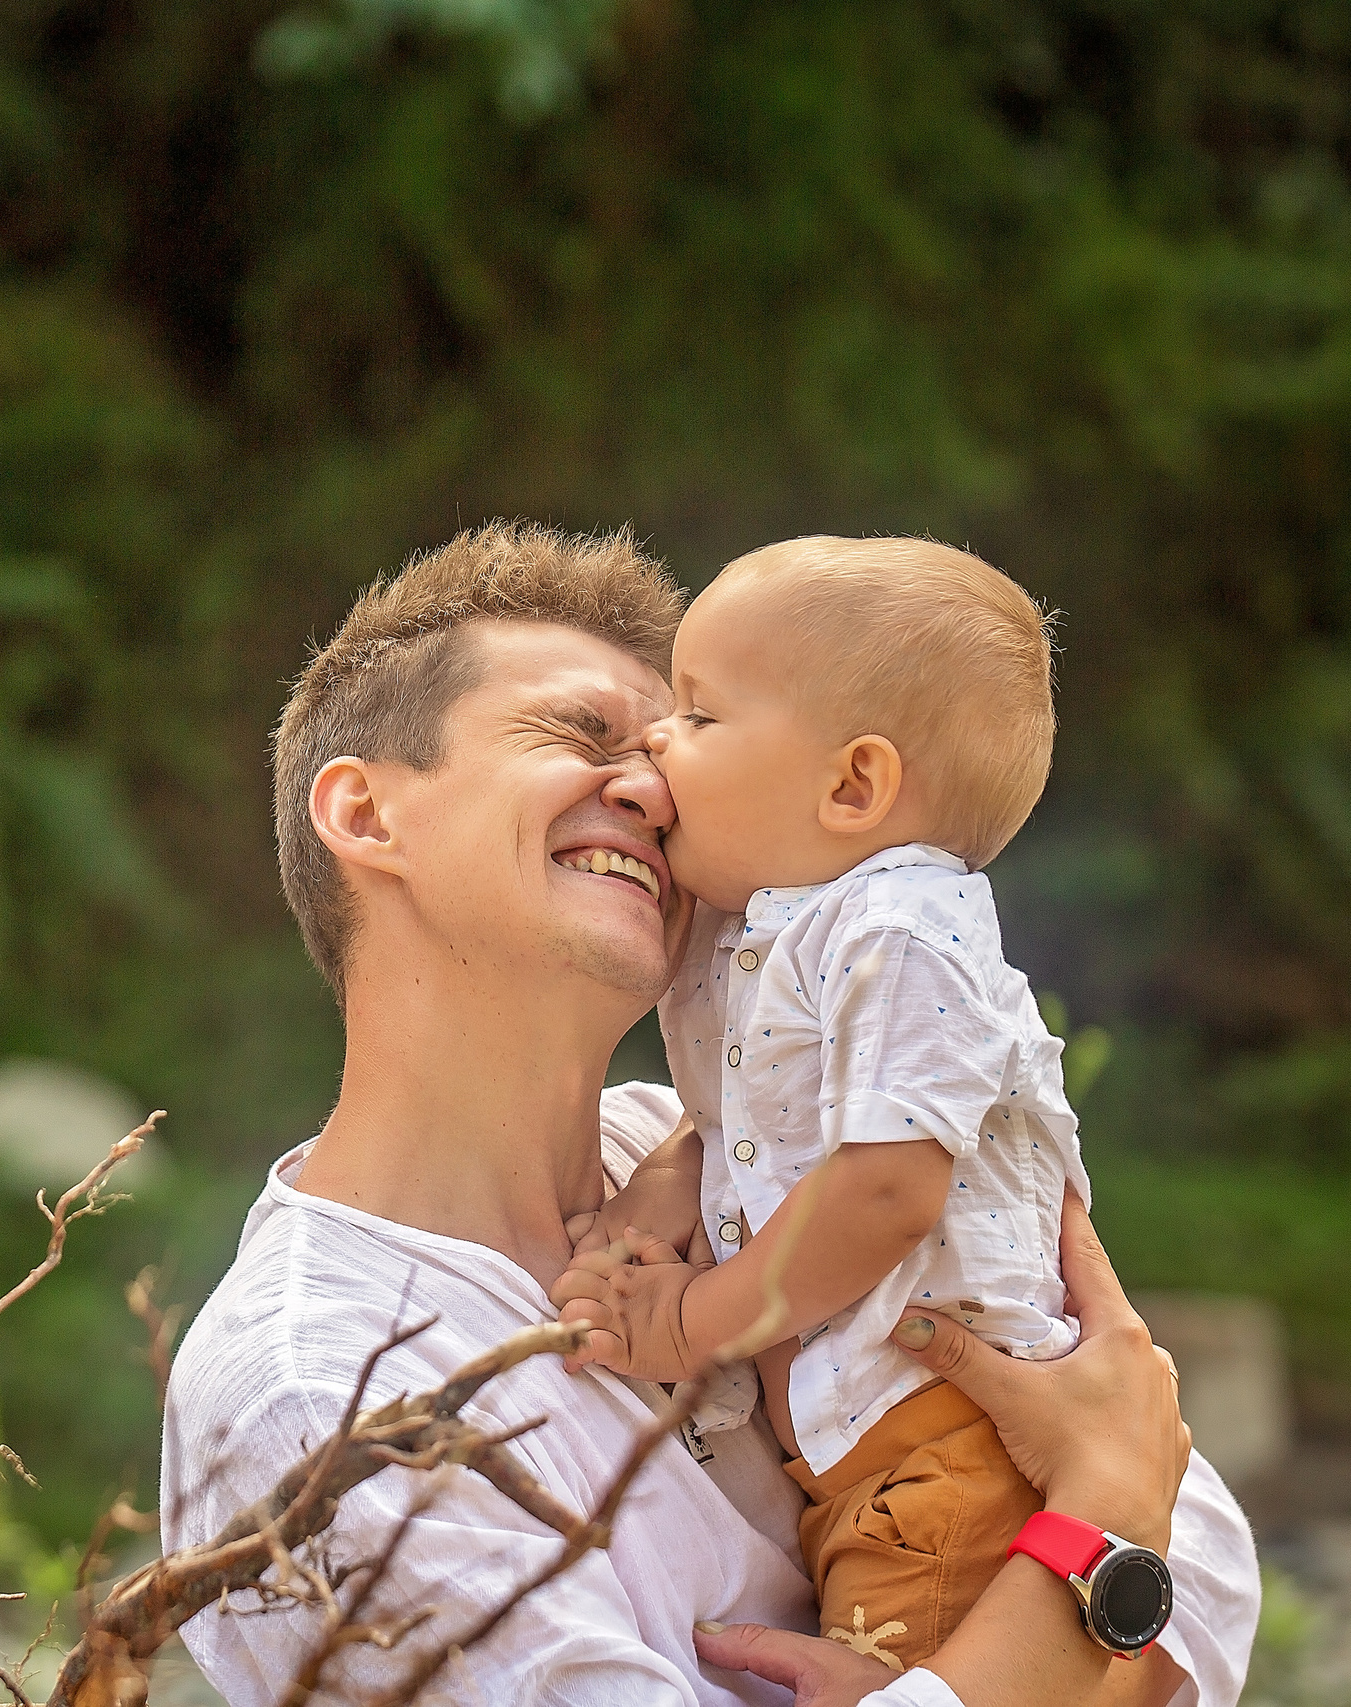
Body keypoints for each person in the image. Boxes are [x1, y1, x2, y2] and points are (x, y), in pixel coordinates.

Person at [161, 523, 1258, 1706]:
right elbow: (1131, 1483)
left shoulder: (745, 1150)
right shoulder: (319, 1388)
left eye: (679, 751)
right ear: (368, 816)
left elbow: (1201, 1558)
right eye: (580, 737)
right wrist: (1095, 1523)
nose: (648, 788)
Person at [547, 536, 1096, 1669]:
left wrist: (695, 1319)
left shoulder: (898, 928)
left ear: (852, 786)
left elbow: (888, 1188)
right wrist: (654, 1201)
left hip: (945, 1455)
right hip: (872, 1464)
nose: (657, 739)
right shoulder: (765, 932)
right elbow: (743, 1131)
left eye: (697, 719)